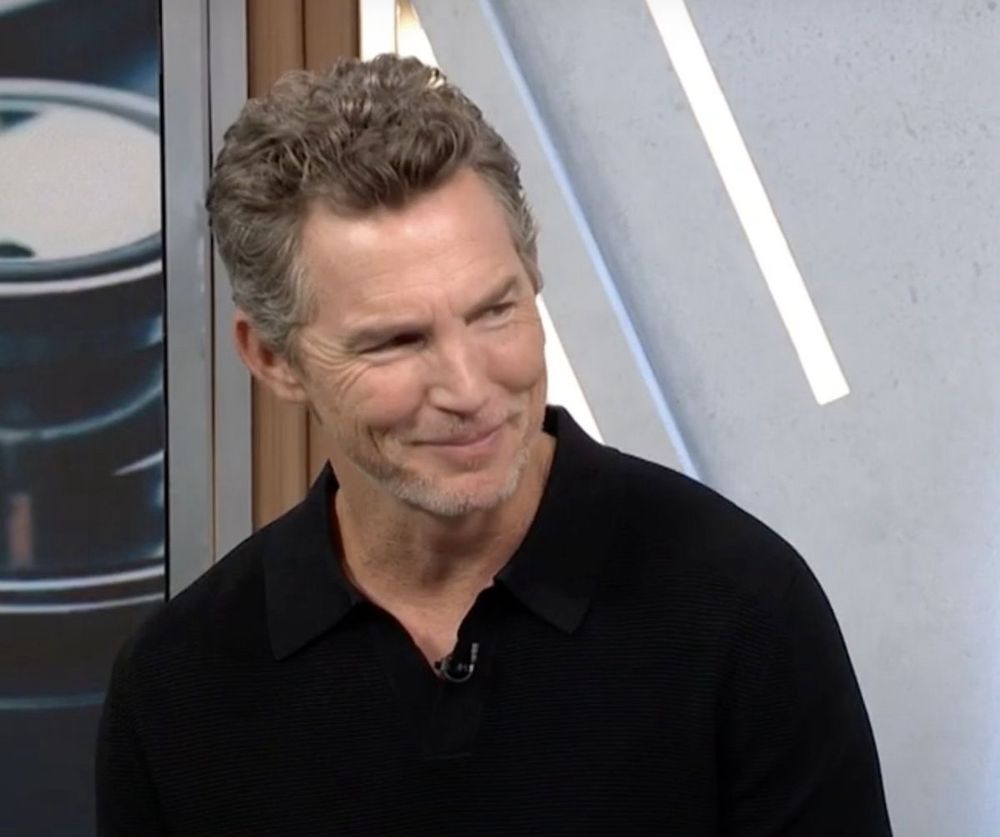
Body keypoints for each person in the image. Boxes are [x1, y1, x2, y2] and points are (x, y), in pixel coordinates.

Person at [96, 54, 892, 835]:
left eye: (493, 312)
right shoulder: (174, 688)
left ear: (532, 276)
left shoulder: (745, 609)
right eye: (397, 341)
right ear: (272, 358)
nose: (469, 387)